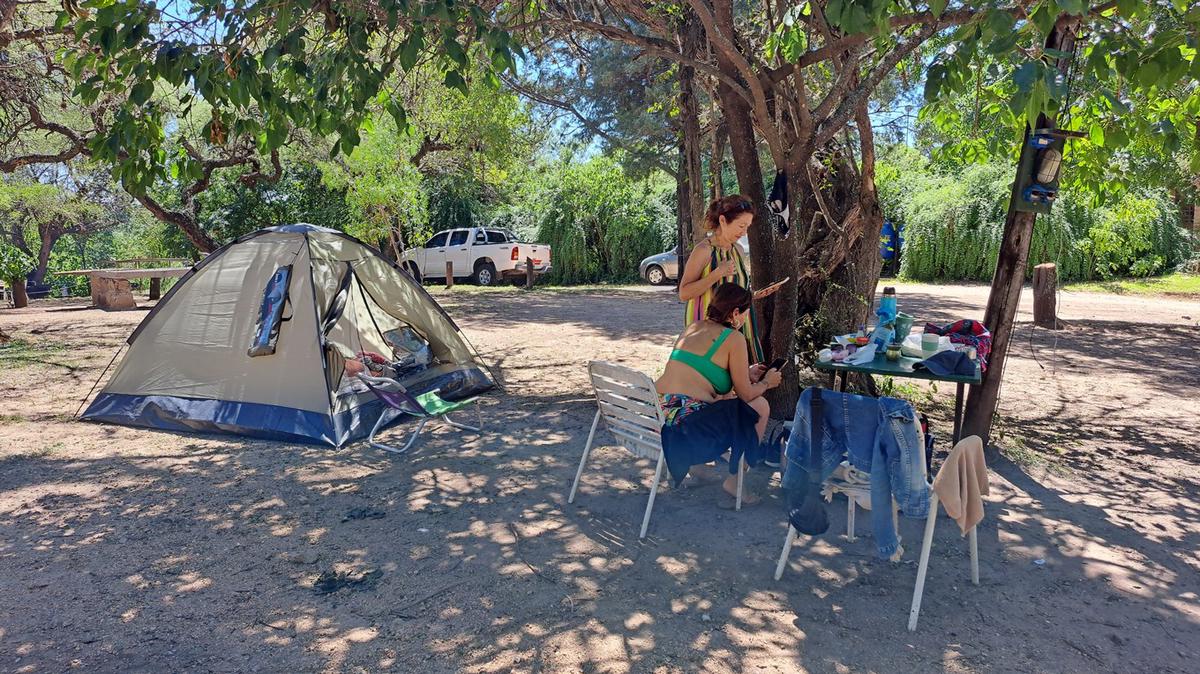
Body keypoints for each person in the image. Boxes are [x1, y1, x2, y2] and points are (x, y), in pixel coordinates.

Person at [656, 283, 783, 504]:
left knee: (722, 400)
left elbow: (703, 377)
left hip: (661, 414)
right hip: (686, 431)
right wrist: (766, 383)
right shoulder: (733, 338)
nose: (744, 319)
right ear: (735, 313)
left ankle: (697, 469)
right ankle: (735, 480)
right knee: (760, 406)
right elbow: (746, 395)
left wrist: (744, 373)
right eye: (744, 313)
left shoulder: (693, 328)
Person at [678, 195, 783, 364]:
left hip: (737, 326)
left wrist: (754, 295)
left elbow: (731, 291)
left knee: (739, 380)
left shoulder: (738, 251)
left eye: (747, 227)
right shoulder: (704, 250)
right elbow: (684, 293)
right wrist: (716, 274)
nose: (744, 232)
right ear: (722, 220)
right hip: (707, 331)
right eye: (741, 226)